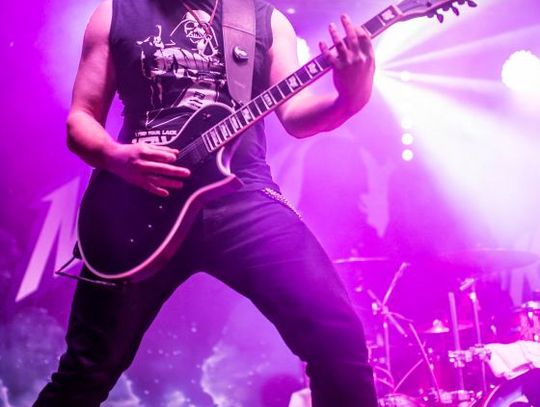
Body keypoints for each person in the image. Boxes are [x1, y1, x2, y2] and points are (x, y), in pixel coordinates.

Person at [33, 0, 377, 405]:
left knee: (337, 338)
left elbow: (296, 115)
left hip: (242, 194)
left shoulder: (264, 20)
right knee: (86, 371)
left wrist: (350, 97)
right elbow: (81, 119)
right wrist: (115, 156)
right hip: (138, 202)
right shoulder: (117, 13)